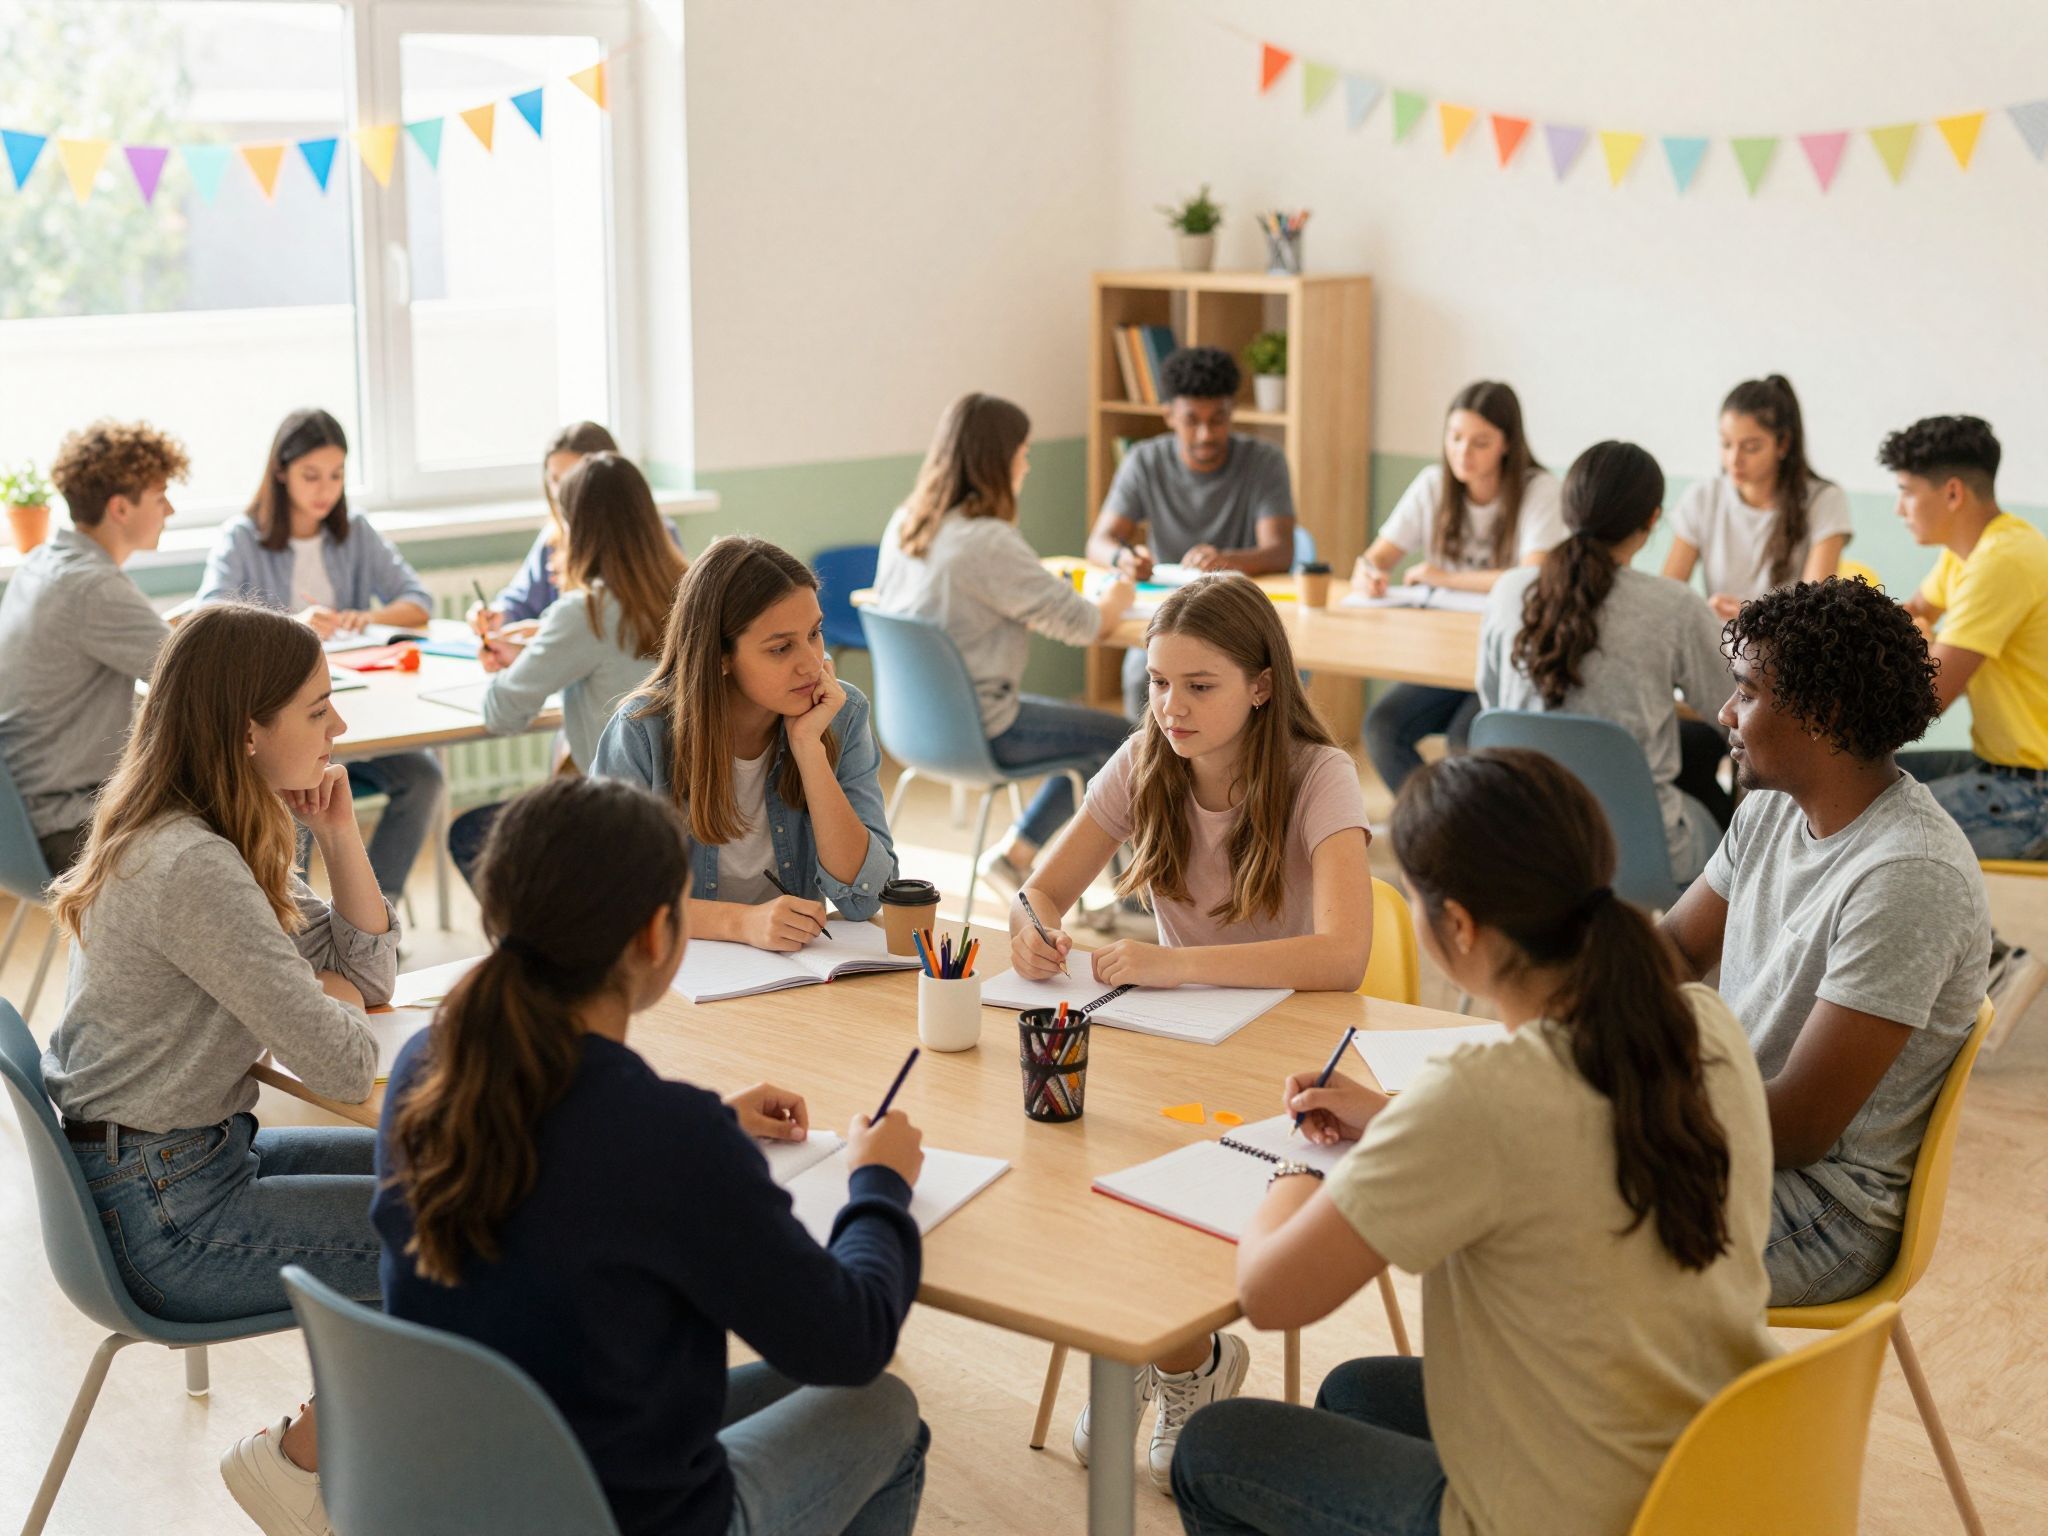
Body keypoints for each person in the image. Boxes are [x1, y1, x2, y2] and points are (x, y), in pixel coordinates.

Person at [1169, 749, 1775, 1536]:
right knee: (1356, 1393)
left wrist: (1296, 1163)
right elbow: (1558, 1142)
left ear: (1457, 925)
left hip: (1572, 1515)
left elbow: (1271, 1294)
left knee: (1217, 1445)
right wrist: (1394, 1122)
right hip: (1714, 1467)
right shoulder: (1702, 1022)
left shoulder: (1480, 1095)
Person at [375, 775, 928, 1536]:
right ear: (652, 936)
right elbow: (851, 1341)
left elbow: (578, 1173)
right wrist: (879, 1183)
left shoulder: (427, 1067)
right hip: (627, 1512)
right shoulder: (664, 1138)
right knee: (883, 1409)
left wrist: (707, 1129)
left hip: (469, 1491)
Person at [1008, 573, 1372, 1486]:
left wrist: (1176, 963)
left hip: (1299, 1056)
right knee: (1081, 1152)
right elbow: (1041, 886)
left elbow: (1342, 957)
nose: (1172, 708)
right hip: (1184, 1038)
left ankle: (1183, 1357)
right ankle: (1164, 1350)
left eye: (1198, 686)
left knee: (1174, 1169)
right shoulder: (1143, 760)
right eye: (1157, 683)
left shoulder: (1317, 775)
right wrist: (1032, 923)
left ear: (1261, 686)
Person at [41, 604, 395, 1536]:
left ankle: (352, 1463)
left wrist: (342, 837)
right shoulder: (191, 864)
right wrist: (329, 1000)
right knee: (443, 1232)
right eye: (320, 711)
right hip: (164, 1211)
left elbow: (365, 977)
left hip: (180, 1163)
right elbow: (347, 1058)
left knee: (445, 1185)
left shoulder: (215, 826)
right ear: (250, 730)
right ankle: (304, 1466)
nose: (340, 730)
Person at [1660, 578, 1990, 1306]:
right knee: (1534, 1177)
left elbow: (1802, 1128)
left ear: (1826, 712)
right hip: (1744, 1140)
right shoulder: (1767, 813)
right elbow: (1674, 953)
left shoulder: (1909, 873)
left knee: (1563, 1225)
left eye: (1746, 691)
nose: (1723, 712)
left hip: (1825, 1207)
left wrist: (1630, 1106)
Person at [871, 392, 1134, 896]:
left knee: (1087, 749)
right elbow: (1085, 625)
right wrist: (1118, 595)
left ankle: (1017, 855)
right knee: (1125, 741)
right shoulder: (988, 541)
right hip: (983, 727)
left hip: (913, 729)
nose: (1029, 463)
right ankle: (1130, 898)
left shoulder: (907, 523)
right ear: (1000, 459)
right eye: (1024, 451)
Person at [592, 536, 897, 951]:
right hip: (679, 969)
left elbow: (866, 898)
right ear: (720, 656)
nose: (810, 662)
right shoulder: (642, 732)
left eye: (815, 633)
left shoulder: (841, 713)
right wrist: (742, 923)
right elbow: (610, 900)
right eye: (780, 648)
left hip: (794, 970)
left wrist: (810, 750)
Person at [197, 408, 440, 899]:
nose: (324, 489)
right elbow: (211, 619)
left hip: (354, 715)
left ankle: (379, 910)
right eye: (311, 475)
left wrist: (363, 618)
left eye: (336, 475)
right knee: (295, 796)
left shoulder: (354, 532)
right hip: (285, 727)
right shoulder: (241, 537)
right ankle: (297, 920)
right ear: (281, 472)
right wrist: (292, 629)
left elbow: (419, 602)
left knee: (423, 777)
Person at [1479, 440, 1729, 884]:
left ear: (1567, 508)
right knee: (1714, 799)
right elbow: (1735, 712)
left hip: (1523, 839)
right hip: (1640, 854)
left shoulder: (1506, 592)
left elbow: (1494, 701)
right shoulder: (1674, 606)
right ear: (1652, 520)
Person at [446, 452, 688, 886]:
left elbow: (502, 714)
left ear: (576, 528)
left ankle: (550, 948)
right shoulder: (691, 591)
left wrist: (532, 654)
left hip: (618, 819)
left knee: (471, 833)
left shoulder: (585, 613)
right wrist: (545, 643)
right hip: (695, 811)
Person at [1886, 414, 2048, 1032]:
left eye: (1906, 490)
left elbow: (1923, 700)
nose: (1899, 507)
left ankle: (1998, 963)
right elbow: (1911, 616)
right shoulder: (1971, 552)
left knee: (1879, 821)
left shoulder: (2003, 562)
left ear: (1951, 493)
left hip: (2032, 791)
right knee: (1862, 783)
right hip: (2001, 767)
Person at [1351, 381, 1565, 795]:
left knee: (1464, 742)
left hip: (1506, 658)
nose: (1463, 452)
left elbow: (1531, 578)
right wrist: (1368, 571)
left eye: (1480, 442)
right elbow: (1377, 556)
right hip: (1441, 656)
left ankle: (1456, 838)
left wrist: (1442, 577)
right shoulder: (1433, 485)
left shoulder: (1540, 490)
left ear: (1507, 443)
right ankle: (1436, 829)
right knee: (1382, 728)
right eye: (1455, 438)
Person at [1661, 375, 1853, 828]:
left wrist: (1751, 613)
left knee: (1759, 759)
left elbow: (1817, 606)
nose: (1734, 459)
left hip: (1783, 668)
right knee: (1686, 749)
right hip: (1716, 662)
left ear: (1783, 444)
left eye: (1750, 446)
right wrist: (1699, 610)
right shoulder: (1704, 497)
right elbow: (1667, 593)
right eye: (1726, 444)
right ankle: (1714, 865)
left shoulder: (1823, 501)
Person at [0, 419, 185, 874]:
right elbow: (203, 674)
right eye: (160, 497)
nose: (172, 510)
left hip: (18, 826)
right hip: (67, 823)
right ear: (120, 508)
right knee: (258, 814)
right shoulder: (93, 587)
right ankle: (294, 944)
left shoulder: (44, 562)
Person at [1084, 345, 1296, 717]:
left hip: (1239, 610)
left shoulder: (1264, 461)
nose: (1205, 434)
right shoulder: (1145, 460)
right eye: (1191, 420)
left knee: (1256, 683)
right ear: (1168, 414)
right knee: (1140, 678)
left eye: (1218, 419)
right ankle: (1156, 772)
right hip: (1166, 612)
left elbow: (1281, 550)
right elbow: (1099, 542)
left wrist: (1229, 560)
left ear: (1232, 412)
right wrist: (1124, 557)